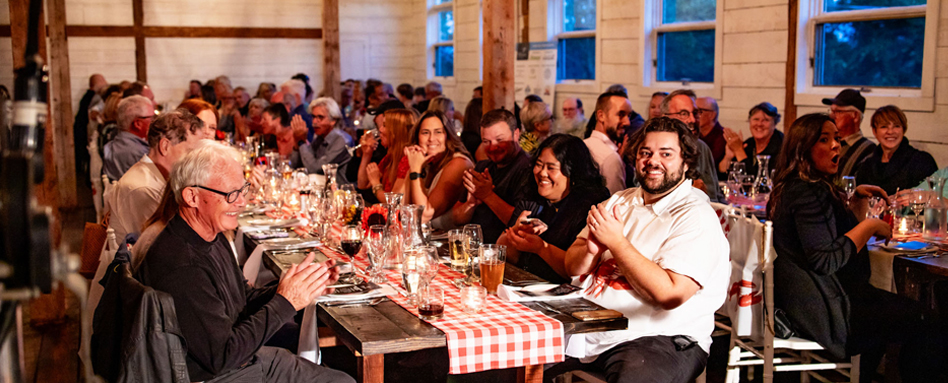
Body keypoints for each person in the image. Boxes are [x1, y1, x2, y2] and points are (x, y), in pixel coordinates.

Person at [135, 141, 354, 383]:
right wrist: (286, 301)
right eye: (231, 194)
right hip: (215, 374)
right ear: (192, 196)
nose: (241, 202)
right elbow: (222, 356)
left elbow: (241, 301)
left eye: (243, 190)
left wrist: (300, 287)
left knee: (333, 367)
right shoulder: (183, 265)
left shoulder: (209, 236)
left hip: (235, 360)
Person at [548, 117, 729, 383]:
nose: (653, 161)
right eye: (646, 153)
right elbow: (572, 267)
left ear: (686, 162)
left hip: (658, 337)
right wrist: (592, 250)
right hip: (589, 325)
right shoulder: (621, 199)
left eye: (666, 154)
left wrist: (617, 243)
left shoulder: (695, 215)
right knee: (507, 358)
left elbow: (669, 295)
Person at [767, 113, 943, 382]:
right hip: (830, 311)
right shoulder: (806, 193)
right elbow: (825, 260)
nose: (836, 145)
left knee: (905, 314)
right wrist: (870, 226)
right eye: (824, 140)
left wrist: (855, 204)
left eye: (837, 138)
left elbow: (834, 238)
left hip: (815, 301)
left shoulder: (801, 187)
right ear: (802, 149)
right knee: (928, 323)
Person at [89, 108, 204, 316]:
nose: (194, 161)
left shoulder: (155, 175)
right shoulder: (144, 188)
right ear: (165, 146)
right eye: (190, 152)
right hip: (127, 304)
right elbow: (170, 251)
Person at [498, 134, 609, 284]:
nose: (542, 173)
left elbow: (578, 273)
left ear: (572, 173)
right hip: (523, 285)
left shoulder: (589, 208)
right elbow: (502, 253)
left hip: (564, 294)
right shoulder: (532, 197)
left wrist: (541, 249)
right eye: (539, 165)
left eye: (551, 168)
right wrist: (516, 233)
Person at [452, 109, 534, 244]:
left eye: (500, 140)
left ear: (516, 135)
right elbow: (457, 219)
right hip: (472, 248)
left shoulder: (528, 170)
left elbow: (521, 222)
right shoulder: (482, 167)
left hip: (502, 255)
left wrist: (487, 196)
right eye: (486, 141)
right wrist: (471, 204)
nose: (492, 147)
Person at [404, 110, 474, 229]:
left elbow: (424, 216)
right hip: (429, 241)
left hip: (454, 244)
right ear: (417, 137)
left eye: (438, 132)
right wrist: (411, 166)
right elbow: (402, 210)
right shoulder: (426, 163)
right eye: (425, 133)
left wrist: (415, 171)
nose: (431, 138)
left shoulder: (458, 164)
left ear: (448, 136)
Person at [855, 105, 938, 195]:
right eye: (884, 127)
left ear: (903, 129)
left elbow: (932, 199)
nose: (890, 132)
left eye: (896, 126)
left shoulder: (922, 161)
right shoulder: (866, 166)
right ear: (874, 131)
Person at [659, 89, 721, 201]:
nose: (692, 119)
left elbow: (717, 195)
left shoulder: (702, 148)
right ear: (665, 118)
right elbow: (646, 201)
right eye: (683, 114)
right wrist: (691, 194)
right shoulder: (654, 151)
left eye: (696, 113)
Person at [359, 109, 415, 202]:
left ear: (397, 131)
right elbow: (362, 184)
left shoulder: (408, 159)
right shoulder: (390, 157)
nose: (380, 129)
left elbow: (394, 202)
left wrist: (376, 184)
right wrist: (366, 154)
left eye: (384, 125)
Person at [718, 102, 783, 178]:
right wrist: (728, 157)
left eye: (765, 120)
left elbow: (759, 180)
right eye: (756, 119)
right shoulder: (749, 143)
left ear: (775, 124)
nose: (759, 124)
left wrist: (739, 150)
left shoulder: (781, 145)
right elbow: (721, 177)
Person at [584, 92, 629, 194]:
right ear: (601, 116)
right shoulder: (610, 158)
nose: (627, 122)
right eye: (621, 115)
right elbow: (616, 204)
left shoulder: (581, 145)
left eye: (629, 116)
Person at [823, 89, 875, 177]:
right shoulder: (825, 143)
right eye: (831, 111)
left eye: (838, 111)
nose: (831, 116)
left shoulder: (868, 150)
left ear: (855, 116)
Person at [300, 98, 352, 184]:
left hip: (341, 192)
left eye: (320, 117)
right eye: (313, 117)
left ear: (333, 121)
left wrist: (302, 141)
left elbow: (314, 168)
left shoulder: (342, 141)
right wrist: (297, 143)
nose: (314, 122)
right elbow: (298, 164)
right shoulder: (320, 137)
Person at [103, 95, 154, 182]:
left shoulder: (110, 146)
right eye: (152, 118)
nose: (155, 122)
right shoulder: (142, 154)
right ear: (137, 124)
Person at [75, 74, 108, 180]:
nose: (106, 83)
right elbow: (90, 114)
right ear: (96, 84)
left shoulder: (91, 97)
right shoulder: (92, 97)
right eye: (103, 82)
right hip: (86, 134)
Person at [695, 97, 727, 178]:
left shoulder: (723, 138)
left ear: (712, 115)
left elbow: (708, 167)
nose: (694, 116)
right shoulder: (694, 135)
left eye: (699, 111)